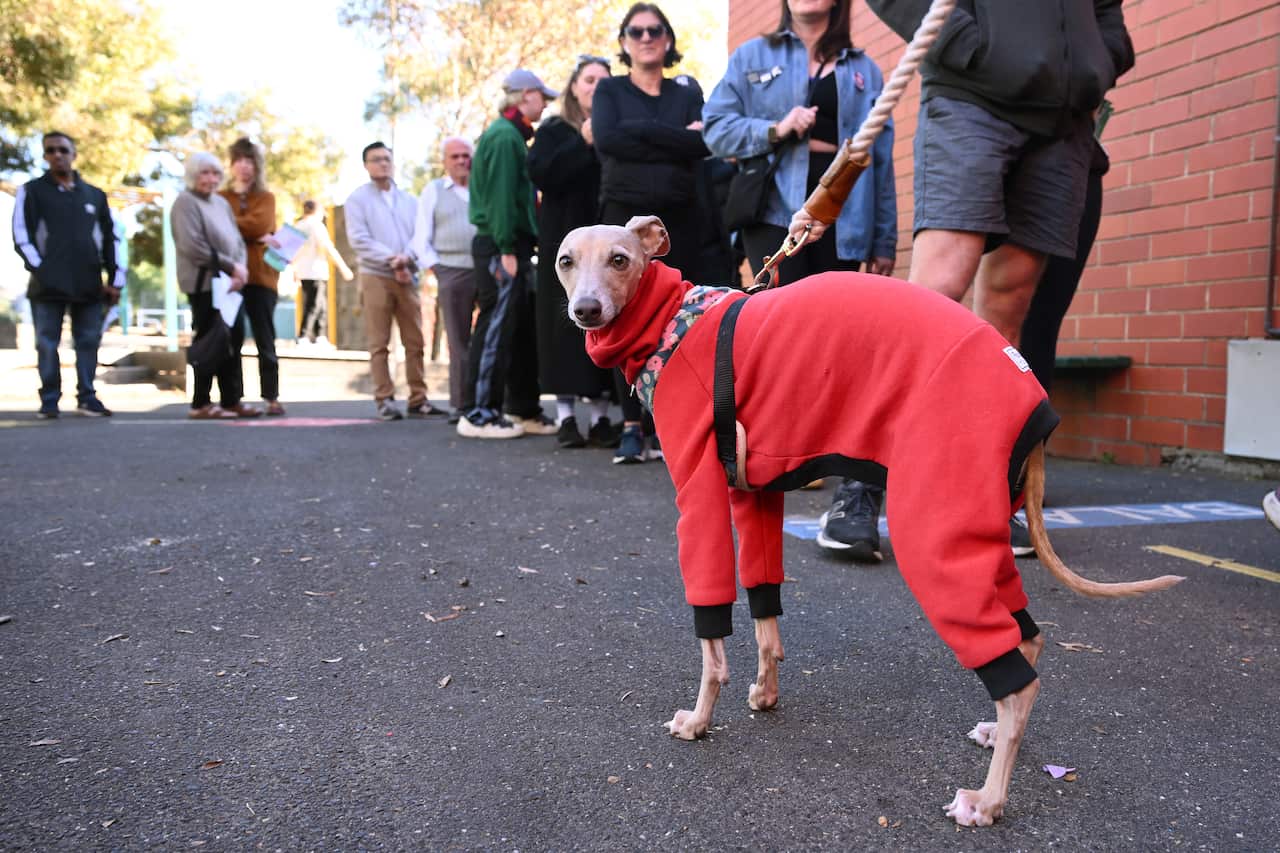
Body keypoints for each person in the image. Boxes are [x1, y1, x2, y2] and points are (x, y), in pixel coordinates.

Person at [792, 0, 1135, 560]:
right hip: (973, 94)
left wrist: (1095, 60)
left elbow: (1104, 12)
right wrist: (971, 45)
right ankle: (862, 486)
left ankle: (979, 495)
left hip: (1064, 120)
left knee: (1008, 304)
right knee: (936, 290)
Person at [704, 0, 897, 556]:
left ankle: (843, 468)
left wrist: (884, 239)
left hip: (846, 221)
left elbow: (878, 158)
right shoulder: (753, 55)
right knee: (778, 339)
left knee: (844, 344)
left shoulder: (866, 70)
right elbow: (716, 129)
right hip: (774, 216)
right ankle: (775, 455)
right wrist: (775, 127)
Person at [592, 2, 709, 463]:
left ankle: (671, 423)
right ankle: (630, 425)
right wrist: (671, 136)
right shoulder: (609, 90)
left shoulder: (686, 91)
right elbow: (607, 140)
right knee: (622, 316)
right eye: (636, 31)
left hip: (682, 218)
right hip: (621, 215)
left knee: (682, 318)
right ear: (624, 42)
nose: (646, 37)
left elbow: (702, 144)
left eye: (655, 29)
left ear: (667, 39)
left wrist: (640, 132)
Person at [459, 68, 560, 439]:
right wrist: (505, 248)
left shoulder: (511, 136)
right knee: (496, 326)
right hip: (501, 244)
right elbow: (502, 198)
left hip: (512, 243)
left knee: (517, 328)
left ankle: (521, 409)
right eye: (542, 98)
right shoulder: (504, 137)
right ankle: (478, 412)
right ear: (525, 96)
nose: (545, 106)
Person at [528, 55, 620, 449]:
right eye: (589, 79)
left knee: (606, 325)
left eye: (604, 80)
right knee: (561, 331)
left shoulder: (616, 130)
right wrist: (582, 142)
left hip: (605, 250)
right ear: (574, 86)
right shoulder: (553, 129)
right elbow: (540, 173)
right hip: (563, 245)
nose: (596, 86)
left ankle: (601, 418)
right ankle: (566, 417)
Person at [12, 132, 123, 419]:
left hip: (88, 283)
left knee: (88, 340)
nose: (57, 154)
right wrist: (42, 269)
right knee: (47, 342)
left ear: (74, 154)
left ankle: (87, 396)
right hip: (47, 285)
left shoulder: (94, 195)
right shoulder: (32, 191)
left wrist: (115, 280)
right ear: (45, 155)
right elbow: (22, 235)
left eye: (63, 149)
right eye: (50, 150)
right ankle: (49, 398)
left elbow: (112, 239)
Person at [344, 141, 444, 421]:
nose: (383, 164)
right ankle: (385, 399)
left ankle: (418, 399)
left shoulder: (409, 201)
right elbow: (359, 240)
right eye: (376, 159)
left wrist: (407, 258)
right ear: (366, 165)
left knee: (415, 340)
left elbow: (420, 234)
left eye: (386, 158)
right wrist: (392, 258)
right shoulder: (357, 200)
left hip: (407, 275)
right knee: (379, 342)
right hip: (376, 275)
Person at [170, 151, 254, 419]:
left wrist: (239, 270)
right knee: (209, 339)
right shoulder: (185, 202)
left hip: (230, 284)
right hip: (205, 282)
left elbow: (237, 242)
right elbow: (192, 246)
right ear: (193, 175)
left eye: (215, 173)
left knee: (235, 339)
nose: (211, 179)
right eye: (205, 173)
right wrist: (231, 267)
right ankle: (201, 402)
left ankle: (232, 400)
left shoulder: (220, 203)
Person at [411, 137, 479, 424]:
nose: (462, 161)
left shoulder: (482, 187)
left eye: (466, 155)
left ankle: (491, 401)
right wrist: (438, 269)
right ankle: (461, 404)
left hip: (487, 269)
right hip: (451, 270)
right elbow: (420, 238)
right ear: (445, 161)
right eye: (455, 157)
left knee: (492, 339)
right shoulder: (434, 191)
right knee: (458, 341)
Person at [218, 138, 284, 415]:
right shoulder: (220, 198)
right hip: (230, 276)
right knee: (230, 339)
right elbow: (218, 228)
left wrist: (245, 229)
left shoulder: (266, 197)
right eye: (239, 161)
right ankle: (233, 398)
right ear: (232, 165)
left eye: (250, 161)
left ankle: (271, 396)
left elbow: (260, 222)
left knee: (264, 338)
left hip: (261, 278)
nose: (244, 166)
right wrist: (257, 235)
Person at [293, 199, 353, 347]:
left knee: (319, 304)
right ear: (318, 211)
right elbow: (328, 248)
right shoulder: (316, 226)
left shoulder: (298, 226)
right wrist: (343, 268)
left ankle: (320, 336)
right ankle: (305, 336)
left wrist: (294, 270)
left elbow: (293, 253)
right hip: (315, 271)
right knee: (314, 304)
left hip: (303, 271)